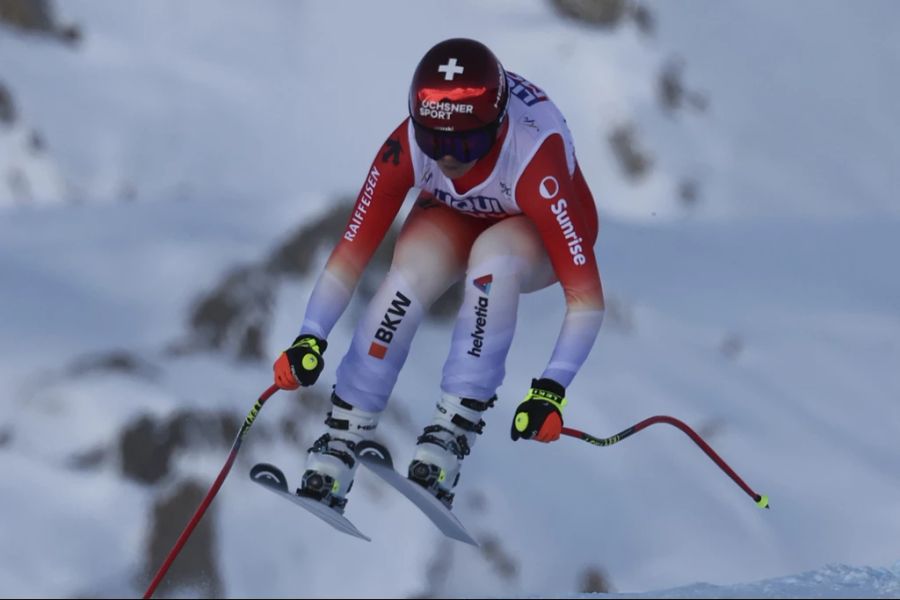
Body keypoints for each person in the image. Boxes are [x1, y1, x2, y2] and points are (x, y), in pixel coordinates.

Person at [272, 38, 605, 512]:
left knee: (494, 259)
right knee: (409, 276)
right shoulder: (405, 145)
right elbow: (351, 252)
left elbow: (587, 301)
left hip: (534, 228)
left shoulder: (536, 159)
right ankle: (341, 438)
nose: (448, 158)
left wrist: (552, 387)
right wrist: (310, 336)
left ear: (499, 126)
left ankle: (451, 434)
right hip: (454, 210)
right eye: (434, 142)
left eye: (466, 143)